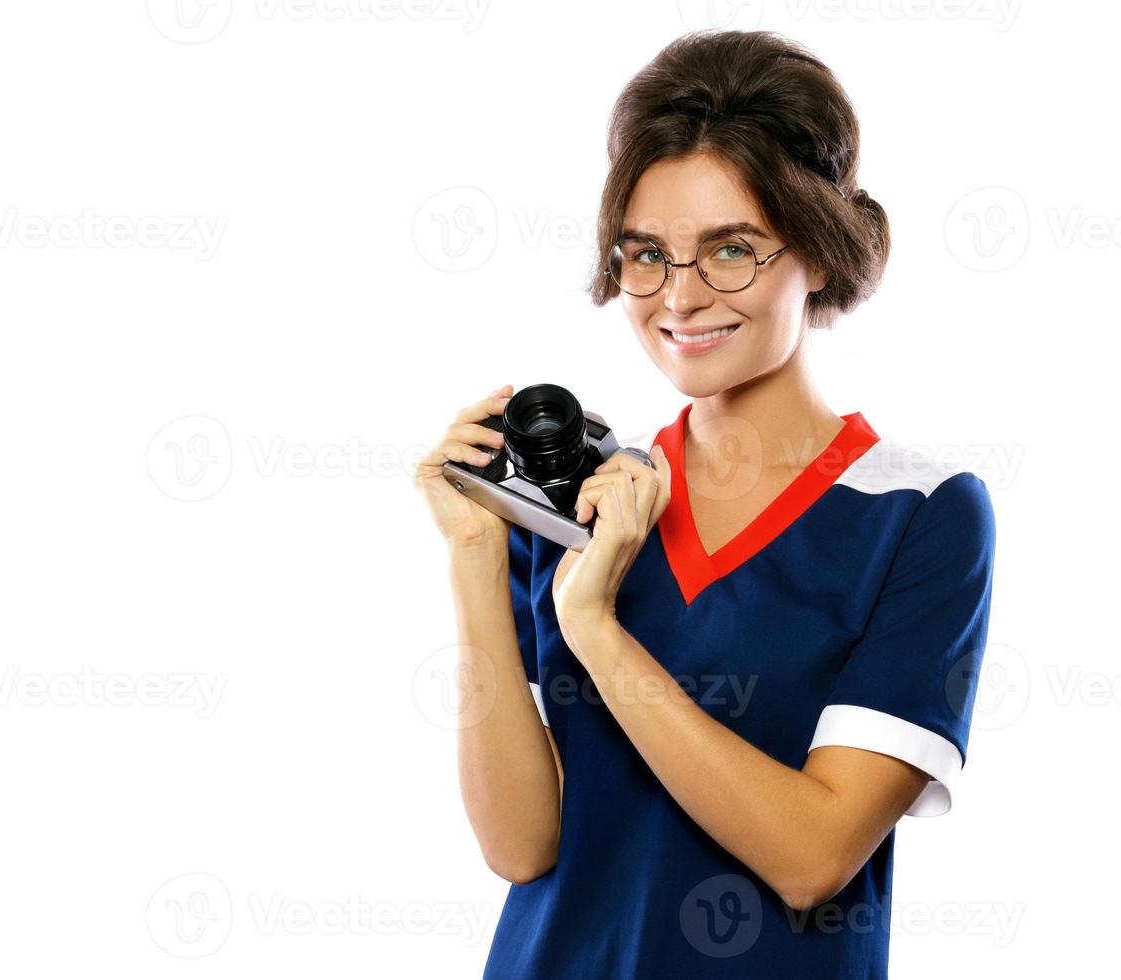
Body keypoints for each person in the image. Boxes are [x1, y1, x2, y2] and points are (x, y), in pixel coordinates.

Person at [411, 29, 996, 979]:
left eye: (732, 250)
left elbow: (813, 857)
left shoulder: (918, 514)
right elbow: (520, 849)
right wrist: (478, 554)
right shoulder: (583, 502)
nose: (679, 298)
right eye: (646, 254)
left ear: (819, 248)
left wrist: (595, 627)